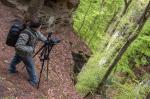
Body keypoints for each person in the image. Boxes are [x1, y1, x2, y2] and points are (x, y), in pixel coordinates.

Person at [8, 19, 47, 86]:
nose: (40, 27)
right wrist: (31, 49)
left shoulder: (34, 30)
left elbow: (39, 35)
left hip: (22, 52)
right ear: (37, 27)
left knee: (17, 59)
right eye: (40, 26)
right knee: (30, 65)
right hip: (25, 53)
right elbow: (18, 45)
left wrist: (47, 40)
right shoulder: (25, 33)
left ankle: (11, 69)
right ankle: (34, 81)